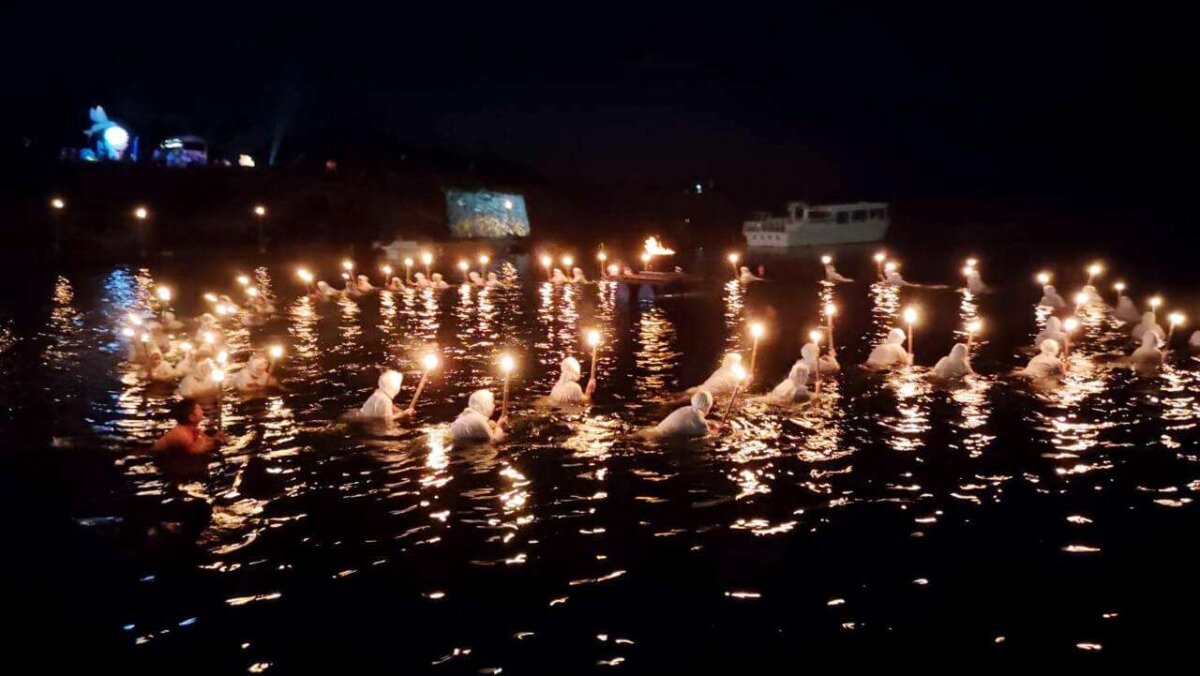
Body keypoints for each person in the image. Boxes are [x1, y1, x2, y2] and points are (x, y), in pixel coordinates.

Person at [152, 398, 226, 454]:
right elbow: (194, 451)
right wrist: (213, 443)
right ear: (191, 417)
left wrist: (216, 439)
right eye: (199, 409)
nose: (202, 411)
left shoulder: (195, 430)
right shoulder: (181, 435)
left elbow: (208, 441)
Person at [653, 390, 717, 438]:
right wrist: (717, 428)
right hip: (656, 439)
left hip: (653, 431)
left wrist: (707, 423)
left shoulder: (685, 409)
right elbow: (711, 436)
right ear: (708, 406)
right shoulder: (701, 423)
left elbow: (689, 421)